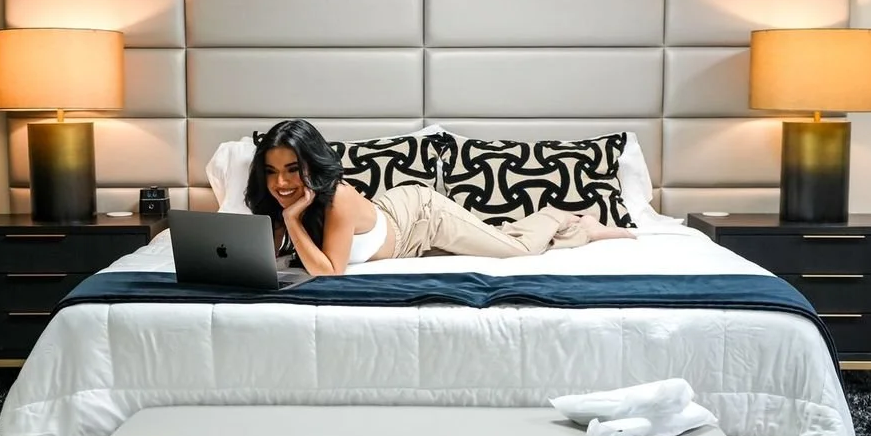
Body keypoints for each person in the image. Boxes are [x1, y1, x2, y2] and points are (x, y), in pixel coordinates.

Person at [245, 119, 635, 276]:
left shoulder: (338, 198)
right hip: (397, 231)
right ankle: (560, 226)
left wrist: (294, 218)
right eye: (272, 171)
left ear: (311, 165)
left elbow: (328, 271)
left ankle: (564, 218)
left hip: (422, 217)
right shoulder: (276, 200)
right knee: (493, 237)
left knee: (518, 251)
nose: (281, 183)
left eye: (292, 170)